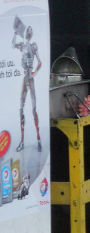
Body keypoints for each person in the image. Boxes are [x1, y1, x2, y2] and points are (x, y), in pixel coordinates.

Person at [12, 22, 43, 153]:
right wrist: (14, 33)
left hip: (31, 79)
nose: (28, 33)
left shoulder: (33, 46)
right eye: (27, 31)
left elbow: (40, 61)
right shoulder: (23, 46)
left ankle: (39, 139)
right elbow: (13, 45)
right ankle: (23, 140)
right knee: (21, 109)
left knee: (34, 109)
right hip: (25, 79)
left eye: (30, 31)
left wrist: (35, 72)